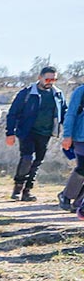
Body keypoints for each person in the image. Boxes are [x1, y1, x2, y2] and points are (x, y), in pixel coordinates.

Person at [5, 65, 67, 202]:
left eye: (54, 79)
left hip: (45, 133)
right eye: (48, 79)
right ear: (40, 77)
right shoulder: (26, 93)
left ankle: (27, 191)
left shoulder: (57, 94)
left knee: (37, 161)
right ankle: (18, 186)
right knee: (28, 158)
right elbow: (13, 113)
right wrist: (10, 133)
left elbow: (64, 114)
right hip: (27, 132)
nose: (50, 82)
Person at [60, 83, 84, 213]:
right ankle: (66, 196)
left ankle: (79, 203)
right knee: (82, 168)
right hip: (81, 137)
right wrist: (67, 135)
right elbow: (71, 114)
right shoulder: (81, 91)